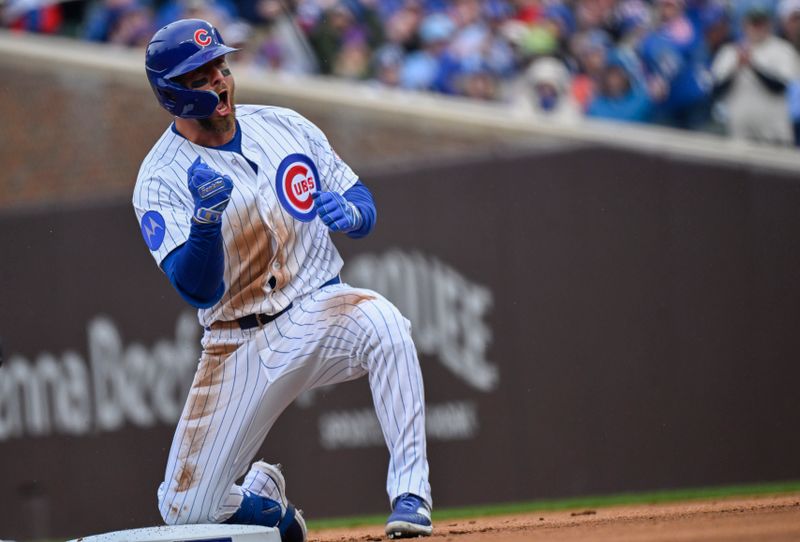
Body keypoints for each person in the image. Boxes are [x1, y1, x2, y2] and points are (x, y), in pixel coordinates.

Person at [133, 18, 433, 541]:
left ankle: (411, 495)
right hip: (236, 342)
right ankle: (269, 507)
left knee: (385, 323)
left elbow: (361, 200)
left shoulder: (284, 125)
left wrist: (352, 214)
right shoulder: (160, 177)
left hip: (319, 308)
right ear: (171, 93)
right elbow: (196, 289)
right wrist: (205, 225)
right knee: (184, 508)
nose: (219, 82)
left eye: (220, 68)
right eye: (200, 77)